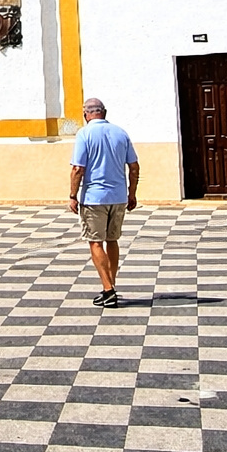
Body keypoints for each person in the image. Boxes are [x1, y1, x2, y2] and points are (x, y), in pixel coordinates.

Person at [68, 97, 139, 308]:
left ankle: (108, 290)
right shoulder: (120, 133)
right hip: (118, 197)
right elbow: (134, 167)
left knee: (96, 242)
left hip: (94, 198)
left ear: (85, 114)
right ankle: (111, 286)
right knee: (112, 240)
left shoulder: (84, 134)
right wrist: (131, 193)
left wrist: (73, 195)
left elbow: (78, 168)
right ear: (104, 112)